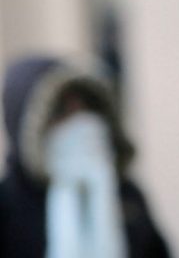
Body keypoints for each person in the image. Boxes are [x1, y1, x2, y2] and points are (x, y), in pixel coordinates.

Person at [0, 56, 170, 258]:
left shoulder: (127, 195)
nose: (81, 122)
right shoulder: (7, 207)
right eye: (61, 111)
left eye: (87, 107)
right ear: (29, 129)